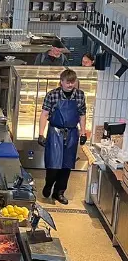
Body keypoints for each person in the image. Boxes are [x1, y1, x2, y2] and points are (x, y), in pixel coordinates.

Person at [38, 68, 87, 205]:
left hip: (72, 133)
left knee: (66, 165)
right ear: (61, 82)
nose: (70, 85)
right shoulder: (52, 95)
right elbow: (44, 114)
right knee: (53, 164)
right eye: (68, 82)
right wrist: (41, 134)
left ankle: (59, 192)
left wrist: (83, 132)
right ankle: (48, 184)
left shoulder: (80, 95)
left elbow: (82, 114)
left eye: (72, 82)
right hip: (55, 132)